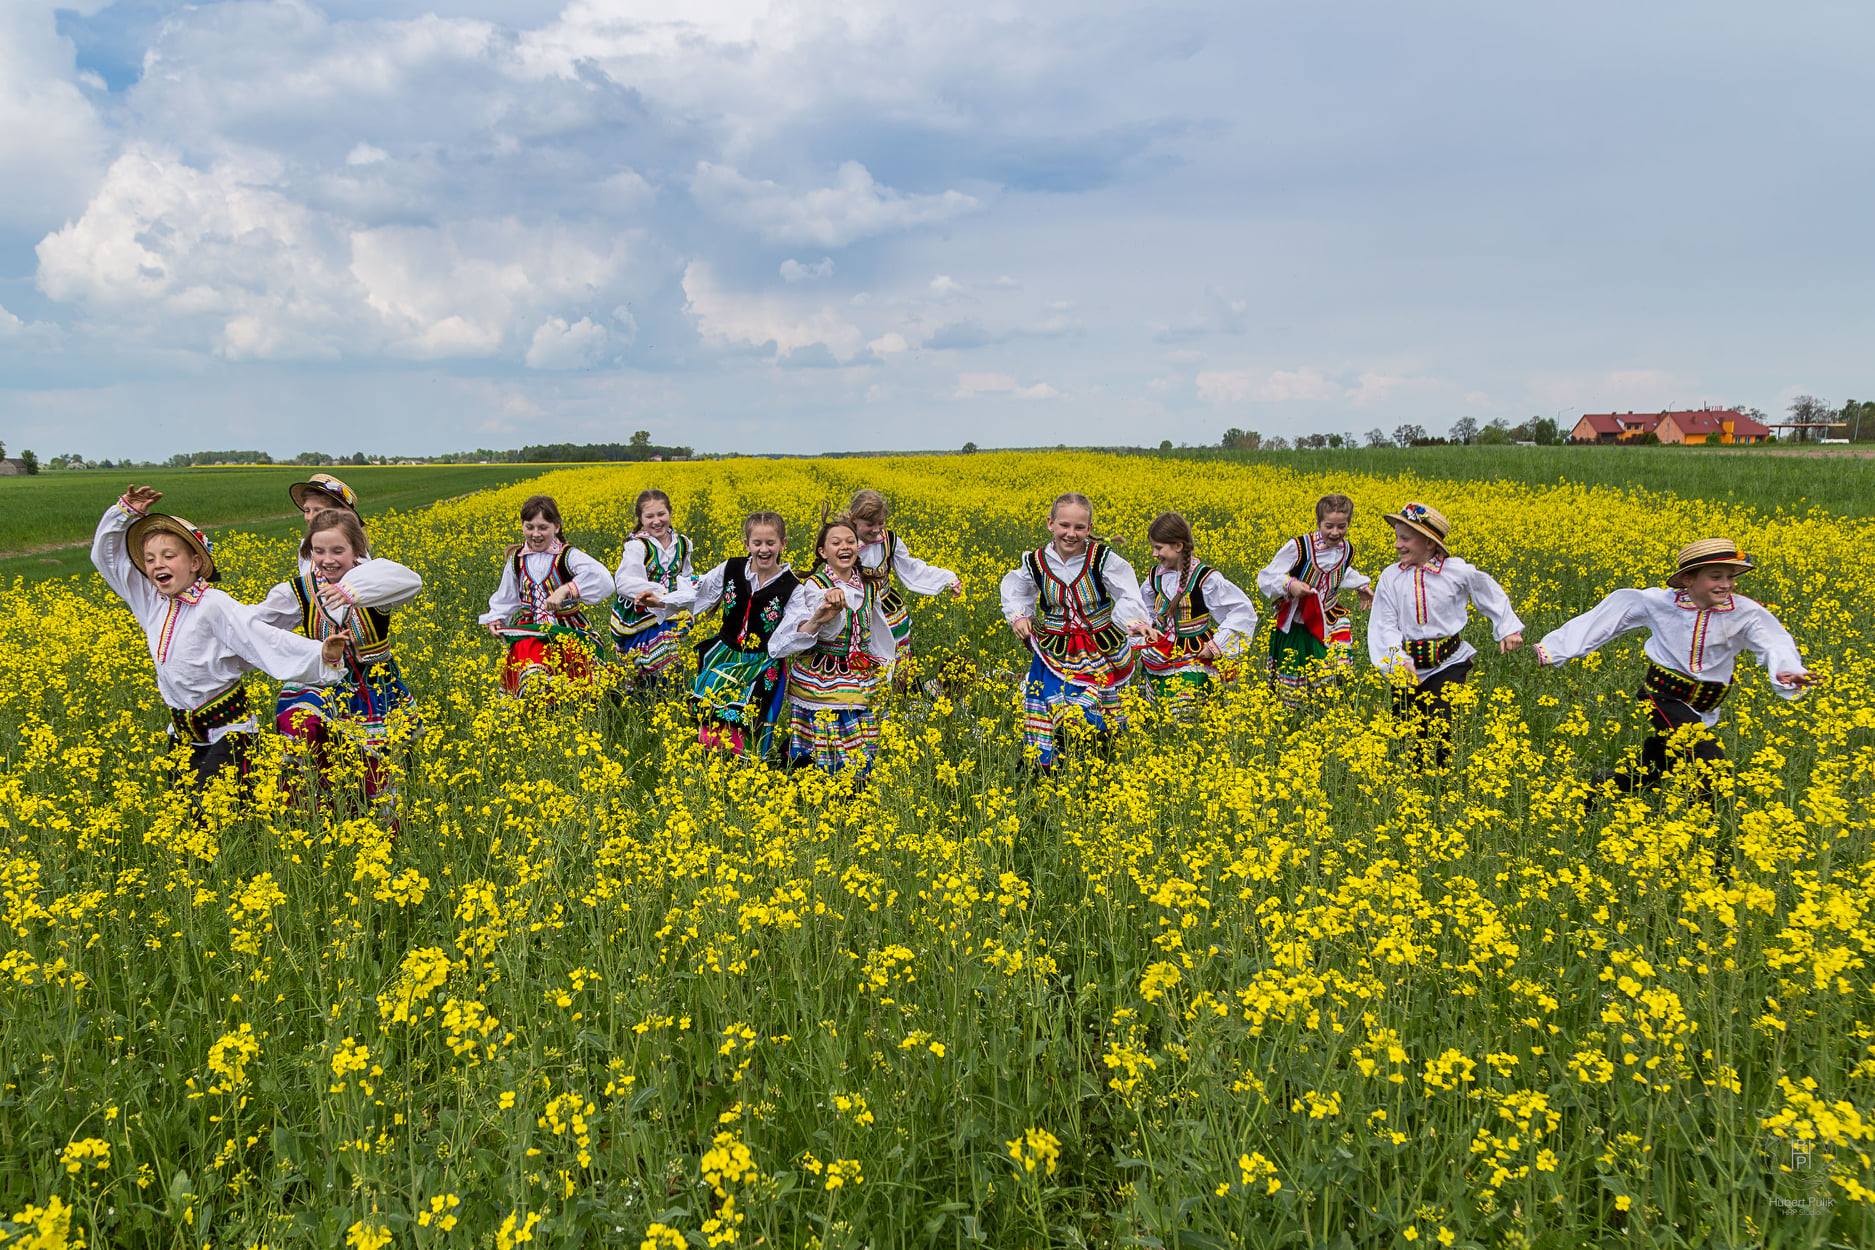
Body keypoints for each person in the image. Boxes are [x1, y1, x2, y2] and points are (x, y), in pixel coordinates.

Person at [92, 485, 347, 790]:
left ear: (195, 563)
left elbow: (261, 638)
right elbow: (107, 559)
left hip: (228, 732)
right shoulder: (150, 602)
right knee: (183, 814)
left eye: (168, 556)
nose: (157, 564)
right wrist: (123, 514)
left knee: (213, 814)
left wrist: (321, 655)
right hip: (184, 732)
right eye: (149, 560)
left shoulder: (213, 604)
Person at [1534, 537, 1811, 796]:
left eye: (1730, 577)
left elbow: (1773, 640)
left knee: (1656, 767)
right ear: (1688, 579)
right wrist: (1554, 650)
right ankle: (1701, 833)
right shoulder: (1659, 602)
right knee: (1709, 765)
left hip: (1704, 704)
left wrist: (1787, 671)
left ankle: (1599, 789)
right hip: (1661, 695)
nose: (1726, 584)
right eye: (1716, 576)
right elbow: (1611, 614)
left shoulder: (1745, 612)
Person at [252, 507, 422, 812]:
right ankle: (308, 814)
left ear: (356, 549)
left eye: (337, 550)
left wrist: (351, 590)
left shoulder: (376, 580)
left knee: (372, 767)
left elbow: (410, 582)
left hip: (372, 685)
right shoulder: (301, 589)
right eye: (318, 551)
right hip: (320, 680)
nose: (327, 559)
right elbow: (257, 625)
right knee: (301, 725)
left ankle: (376, 827)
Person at [1000, 492, 1152, 769]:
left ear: (1089, 529)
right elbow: (1016, 591)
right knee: (1054, 708)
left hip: (1101, 649)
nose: (1071, 534)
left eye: (1079, 527)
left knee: (1096, 710)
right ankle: (1047, 768)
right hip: (1056, 650)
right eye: (1064, 526)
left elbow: (1128, 595)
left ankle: (1101, 763)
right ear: (1050, 524)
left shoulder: (1102, 558)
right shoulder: (1034, 562)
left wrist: (1134, 621)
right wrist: (1019, 617)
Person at [1367, 503, 1523, 766]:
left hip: (1449, 662)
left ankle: (1440, 777)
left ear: (1429, 543)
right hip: (1407, 664)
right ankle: (1409, 783)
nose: (1397, 545)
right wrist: (1396, 661)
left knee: (1441, 724)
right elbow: (1384, 623)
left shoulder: (1456, 571)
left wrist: (1507, 627)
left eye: (1405, 538)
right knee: (1404, 730)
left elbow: (1488, 591)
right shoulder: (1391, 577)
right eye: (1397, 537)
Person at [769, 513, 896, 775]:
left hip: (859, 670)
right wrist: (824, 611)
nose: (844, 547)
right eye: (836, 543)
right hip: (822, 675)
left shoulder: (869, 587)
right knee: (827, 738)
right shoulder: (814, 587)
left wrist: (886, 668)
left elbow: (879, 633)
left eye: (850, 541)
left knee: (860, 740)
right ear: (823, 551)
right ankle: (819, 780)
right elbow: (802, 629)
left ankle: (853, 786)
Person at [477, 494, 615, 697]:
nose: (535, 534)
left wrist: (566, 589)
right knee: (533, 681)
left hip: (567, 629)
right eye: (529, 527)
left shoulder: (567, 556)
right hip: (530, 632)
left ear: (556, 527)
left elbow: (603, 579)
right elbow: (506, 596)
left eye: (543, 527)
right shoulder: (517, 560)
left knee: (578, 690)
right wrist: (496, 618)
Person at [687, 512, 800, 757]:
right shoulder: (732, 567)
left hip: (762, 663)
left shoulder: (792, 586)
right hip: (723, 656)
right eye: (757, 543)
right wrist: (668, 603)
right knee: (711, 722)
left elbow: (796, 629)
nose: (764, 549)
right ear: (746, 544)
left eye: (770, 543)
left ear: (783, 543)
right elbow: (700, 591)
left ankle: (747, 775)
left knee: (750, 726)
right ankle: (713, 772)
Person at [1137, 512, 1258, 717]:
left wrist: (1216, 646)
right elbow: (1143, 606)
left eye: (1158, 548)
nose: (1154, 554)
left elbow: (1242, 610)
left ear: (1178, 546)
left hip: (1195, 652)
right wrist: (1149, 628)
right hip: (1161, 653)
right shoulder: (1154, 577)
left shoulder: (1205, 578)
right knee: (1155, 713)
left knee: (1185, 713)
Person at [1257, 493, 1373, 708]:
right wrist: (1289, 584)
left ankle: (1328, 708)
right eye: (1329, 526)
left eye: (1342, 526)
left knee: (1336, 668)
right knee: (1296, 680)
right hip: (1299, 620)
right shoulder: (1299, 547)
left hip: (1330, 616)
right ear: (1319, 522)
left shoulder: (1347, 550)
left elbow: (1342, 572)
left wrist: (1361, 586)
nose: (1335, 532)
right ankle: (1297, 715)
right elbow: (1267, 576)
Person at [847, 488, 962, 670]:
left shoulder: (889, 540)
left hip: (889, 610)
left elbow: (913, 569)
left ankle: (900, 696)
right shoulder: (842, 543)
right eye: (870, 524)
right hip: (857, 612)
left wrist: (947, 579)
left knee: (898, 663)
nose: (877, 529)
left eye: (881, 522)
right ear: (854, 519)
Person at [609, 489, 697, 689]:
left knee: (668, 660)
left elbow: (685, 575)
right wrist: (658, 593)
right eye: (649, 516)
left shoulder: (683, 544)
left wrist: (685, 596)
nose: (656, 521)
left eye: (661, 514)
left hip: (668, 612)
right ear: (640, 519)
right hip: (641, 615)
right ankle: (640, 697)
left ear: (670, 513)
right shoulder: (638, 546)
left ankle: (664, 699)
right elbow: (623, 581)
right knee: (644, 664)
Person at [287, 472, 363, 572]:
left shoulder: (353, 549)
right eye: (307, 510)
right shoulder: (305, 545)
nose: (310, 517)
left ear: (340, 514)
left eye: (318, 511)